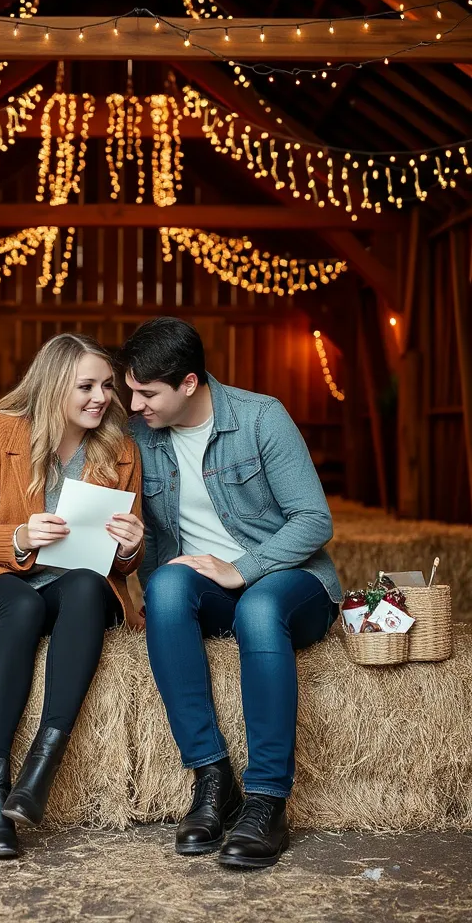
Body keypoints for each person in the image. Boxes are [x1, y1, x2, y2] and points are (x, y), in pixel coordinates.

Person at [117, 317, 341, 869]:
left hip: (290, 581)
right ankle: (213, 779)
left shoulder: (261, 418)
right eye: (131, 391)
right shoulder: (139, 436)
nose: (135, 404)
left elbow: (313, 520)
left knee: (262, 610)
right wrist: (134, 546)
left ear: (189, 384)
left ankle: (267, 800)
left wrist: (242, 569)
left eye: (147, 394)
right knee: (167, 587)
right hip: (208, 589)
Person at [0, 334, 145, 859]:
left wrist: (133, 547)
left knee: (89, 584)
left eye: (107, 386)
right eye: (86, 386)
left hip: (73, 593)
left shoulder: (121, 449)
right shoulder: (2, 432)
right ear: (51, 387)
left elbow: (121, 561)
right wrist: (20, 536)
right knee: (23, 605)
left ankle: (39, 772)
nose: (101, 398)